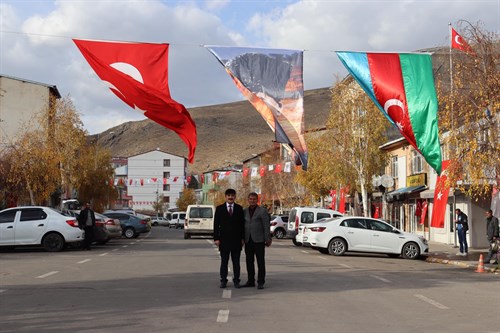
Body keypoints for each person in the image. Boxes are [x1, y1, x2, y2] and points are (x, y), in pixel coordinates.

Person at [213, 189, 245, 288]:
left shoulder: (239, 209)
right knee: (224, 262)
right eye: (228, 195)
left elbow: (242, 225)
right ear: (225, 197)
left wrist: (242, 238)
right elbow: (216, 225)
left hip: (236, 240)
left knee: (236, 262)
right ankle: (223, 280)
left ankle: (236, 281)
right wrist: (216, 238)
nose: (230, 197)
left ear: (235, 196)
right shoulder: (219, 209)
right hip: (224, 240)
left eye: (232, 195)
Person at [242, 192, 271, 290]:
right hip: (248, 240)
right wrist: (242, 238)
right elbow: (242, 226)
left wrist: (268, 238)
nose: (252, 200)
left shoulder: (262, 211)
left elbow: (266, 226)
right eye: (250, 199)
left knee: (260, 262)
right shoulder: (244, 211)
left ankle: (261, 282)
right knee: (249, 261)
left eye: (254, 199)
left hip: (259, 240)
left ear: (257, 200)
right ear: (248, 200)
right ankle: (250, 281)